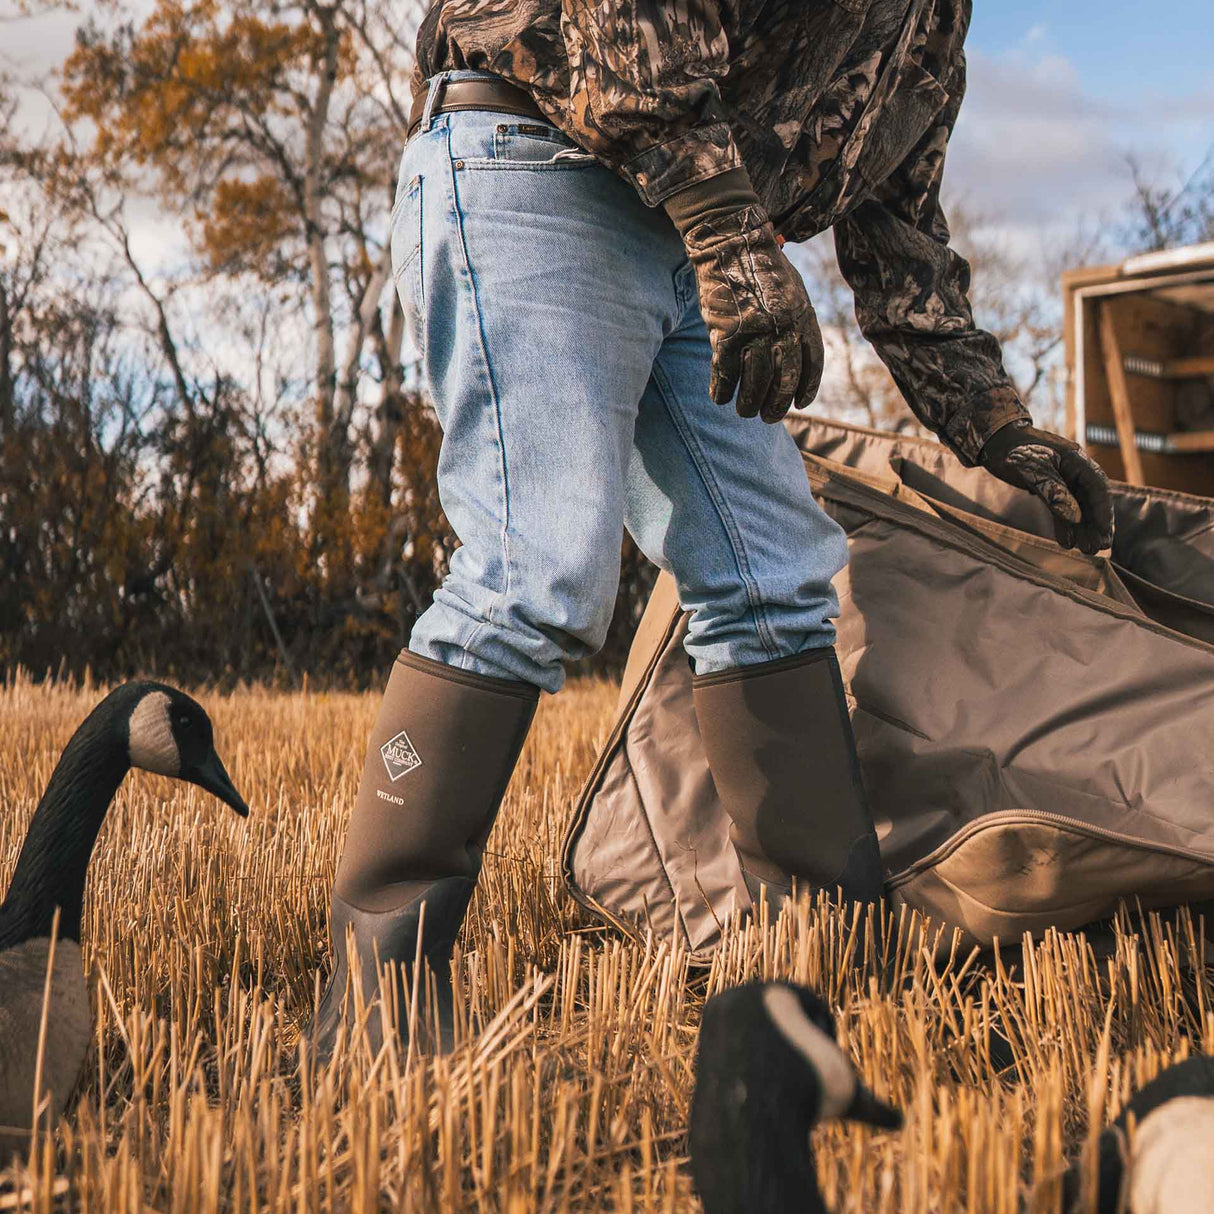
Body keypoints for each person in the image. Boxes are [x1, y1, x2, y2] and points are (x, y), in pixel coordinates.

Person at [309, 0, 1115, 1057]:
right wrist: (731, 233)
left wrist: (991, 421)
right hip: (534, 156)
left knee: (776, 573)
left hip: (688, 226)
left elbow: (899, 235)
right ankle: (375, 1009)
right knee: (534, 572)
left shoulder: (932, 26)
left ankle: (822, 977)